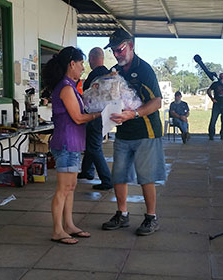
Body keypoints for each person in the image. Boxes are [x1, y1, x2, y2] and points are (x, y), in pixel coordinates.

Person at [101, 29, 166, 236]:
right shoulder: (115, 72)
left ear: (130, 46)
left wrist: (135, 114)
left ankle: (151, 217)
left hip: (145, 130)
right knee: (118, 175)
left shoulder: (144, 69)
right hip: (123, 132)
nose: (117, 55)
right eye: (113, 51)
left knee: (146, 177)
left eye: (119, 50)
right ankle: (122, 213)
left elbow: (157, 102)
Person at [42, 46, 101, 245]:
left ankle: (69, 224)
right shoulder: (66, 88)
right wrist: (100, 114)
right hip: (66, 143)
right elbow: (77, 117)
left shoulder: (70, 86)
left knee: (71, 186)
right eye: (81, 63)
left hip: (73, 144)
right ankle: (57, 230)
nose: (83, 67)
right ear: (72, 64)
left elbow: (79, 108)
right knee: (63, 188)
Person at [77, 47, 113, 190]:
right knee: (91, 143)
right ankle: (87, 171)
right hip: (105, 115)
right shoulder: (107, 73)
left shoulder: (94, 75)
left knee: (94, 147)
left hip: (95, 116)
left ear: (92, 58)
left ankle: (107, 180)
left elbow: (86, 96)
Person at [207, 73, 223, 140]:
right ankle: (211, 135)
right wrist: (212, 98)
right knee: (213, 120)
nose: (222, 78)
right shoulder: (215, 84)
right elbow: (208, 90)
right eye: (221, 76)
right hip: (217, 104)